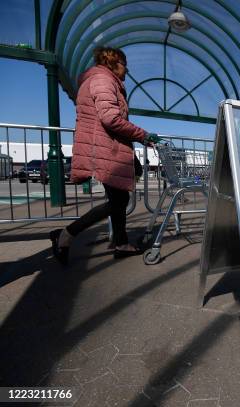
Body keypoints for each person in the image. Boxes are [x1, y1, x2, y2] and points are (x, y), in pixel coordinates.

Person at [50, 46, 160, 265]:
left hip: (108, 145)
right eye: (124, 65)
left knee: (119, 198)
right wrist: (143, 135)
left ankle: (121, 243)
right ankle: (66, 233)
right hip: (106, 146)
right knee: (119, 200)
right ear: (114, 63)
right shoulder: (103, 80)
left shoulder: (100, 79)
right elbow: (110, 119)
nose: (126, 71)